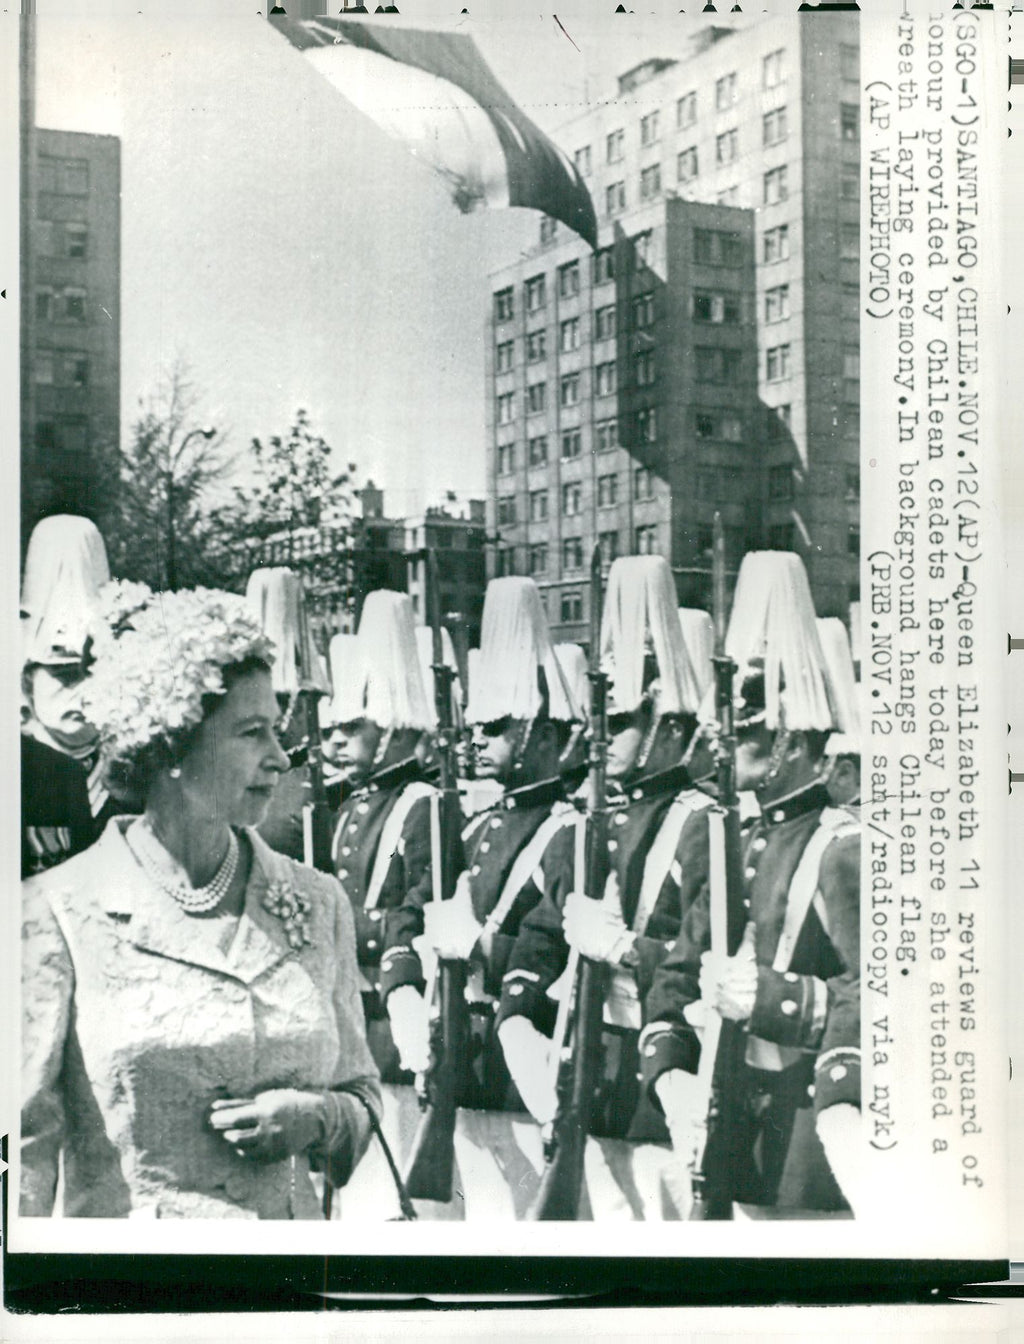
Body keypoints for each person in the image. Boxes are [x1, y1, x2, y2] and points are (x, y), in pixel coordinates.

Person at [21, 582, 381, 1219]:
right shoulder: (57, 910)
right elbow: (22, 1153)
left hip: (289, 1267)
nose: (279, 758)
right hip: (131, 1274)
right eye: (251, 733)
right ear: (170, 746)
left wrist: (317, 1117)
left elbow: (362, 1094)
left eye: (277, 731)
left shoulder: (318, 902)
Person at [640, 552, 861, 1216]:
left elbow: (879, 992)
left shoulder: (842, 848)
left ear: (791, 736)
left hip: (806, 1137)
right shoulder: (729, 840)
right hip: (729, 1125)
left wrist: (773, 997)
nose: (722, 741)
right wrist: (672, 1079)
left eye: (745, 727)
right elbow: (679, 973)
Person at [496, 559, 713, 1218]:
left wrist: (623, 949)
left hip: (665, 1074)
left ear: (667, 724)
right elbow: (538, 934)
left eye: (618, 722)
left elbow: (704, 963)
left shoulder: (701, 825)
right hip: (593, 1069)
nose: (600, 736)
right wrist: (518, 1024)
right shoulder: (595, 822)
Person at [325, 590, 439, 1083]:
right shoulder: (351, 804)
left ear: (392, 730)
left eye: (353, 728)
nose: (336, 740)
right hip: (345, 1002)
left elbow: (419, 908)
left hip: (392, 1005)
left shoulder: (422, 804)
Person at [20, 515, 114, 874]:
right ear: (28, 679)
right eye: (62, 674)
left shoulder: (133, 775)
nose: (80, 693)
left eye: (91, 673)